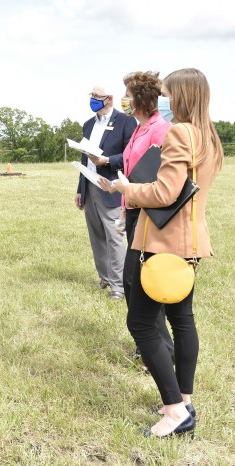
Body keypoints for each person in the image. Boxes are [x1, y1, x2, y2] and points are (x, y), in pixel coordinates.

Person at [105, 68, 223, 437]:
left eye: (168, 94)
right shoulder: (209, 136)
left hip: (161, 243)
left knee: (140, 322)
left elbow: (165, 193)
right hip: (189, 243)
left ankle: (174, 411)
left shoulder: (178, 132)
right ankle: (184, 399)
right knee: (182, 319)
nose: (163, 100)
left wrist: (127, 188)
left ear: (182, 96)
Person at [119, 71, 174, 363]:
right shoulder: (138, 129)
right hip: (133, 212)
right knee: (132, 282)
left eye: (128, 95)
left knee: (141, 282)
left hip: (149, 214)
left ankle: (161, 347)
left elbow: (159, 176)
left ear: (139, 98)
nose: (125, 101)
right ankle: (147, 343)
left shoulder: (160, 129)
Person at [75, 84, 137, 299]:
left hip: (111, 186)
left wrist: (107, 161)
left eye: (96, 96)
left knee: (115, 236)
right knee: (96, 235)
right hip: (90, 185)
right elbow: (85, 158)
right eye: (91, 95)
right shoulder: (88, 124)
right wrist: (80, 189)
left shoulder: (126, 122)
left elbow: (130, 155)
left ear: (109, 99)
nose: (92, 99)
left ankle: (119, 287)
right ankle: (105, 278)